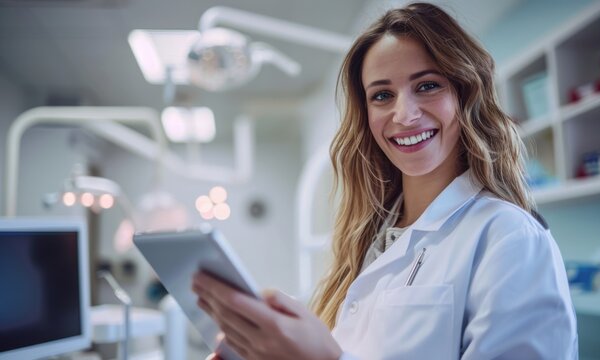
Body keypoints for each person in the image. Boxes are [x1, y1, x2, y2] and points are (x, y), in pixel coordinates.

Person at [191, 2, 578, 359]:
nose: (404, 114)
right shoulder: (370, 245)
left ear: (465, 93)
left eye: (427, 85)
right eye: (381, 95)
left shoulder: (508, 236)